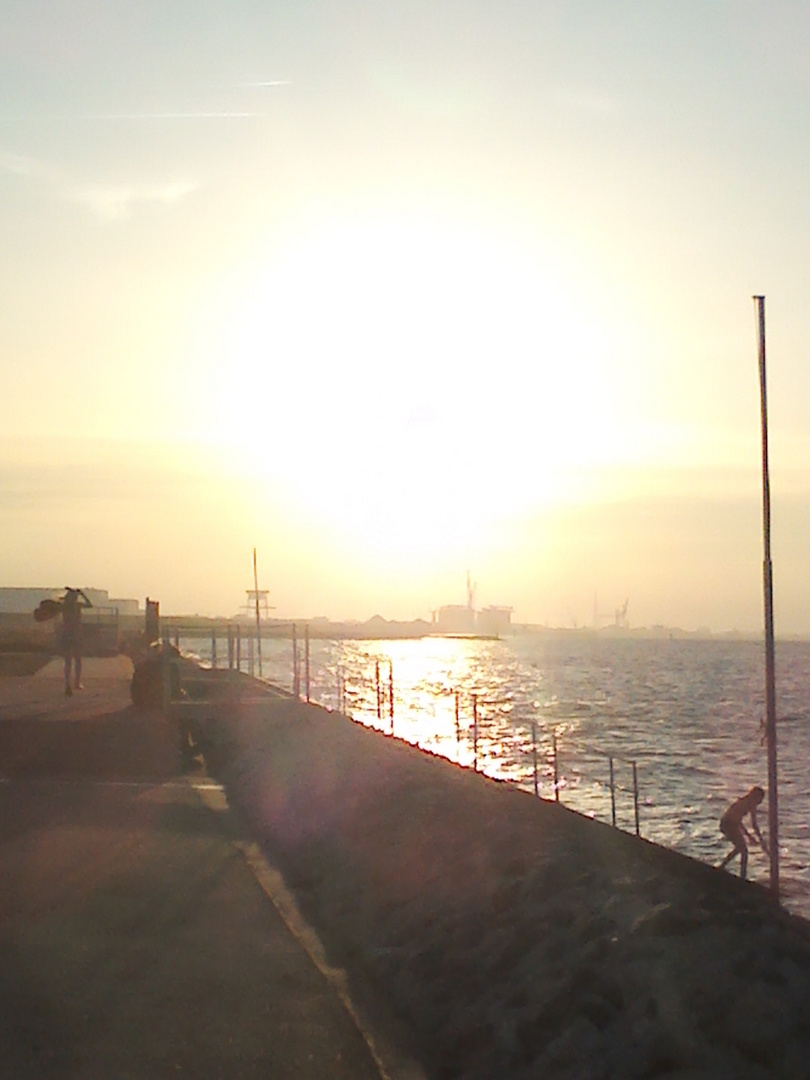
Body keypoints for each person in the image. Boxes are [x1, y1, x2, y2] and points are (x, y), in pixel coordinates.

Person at [719, 785, 768, 879]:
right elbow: (754, 824)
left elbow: (738, 821)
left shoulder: (746, 801)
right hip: (728, 824)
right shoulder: (749, 803)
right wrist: (760, 840)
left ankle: (723, 866)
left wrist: (749, 836)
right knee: (743, 850)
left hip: (729, 823)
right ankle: (742, 876)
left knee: (739, 848)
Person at [60, 587, 92, 696]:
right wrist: (82, 594)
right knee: (78, 660)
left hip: (67, 634)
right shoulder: (77, 605)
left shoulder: (64, 606)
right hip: (76, 634)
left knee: (68, 661)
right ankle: (77, 683)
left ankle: (67, 684)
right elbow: (90, 604)